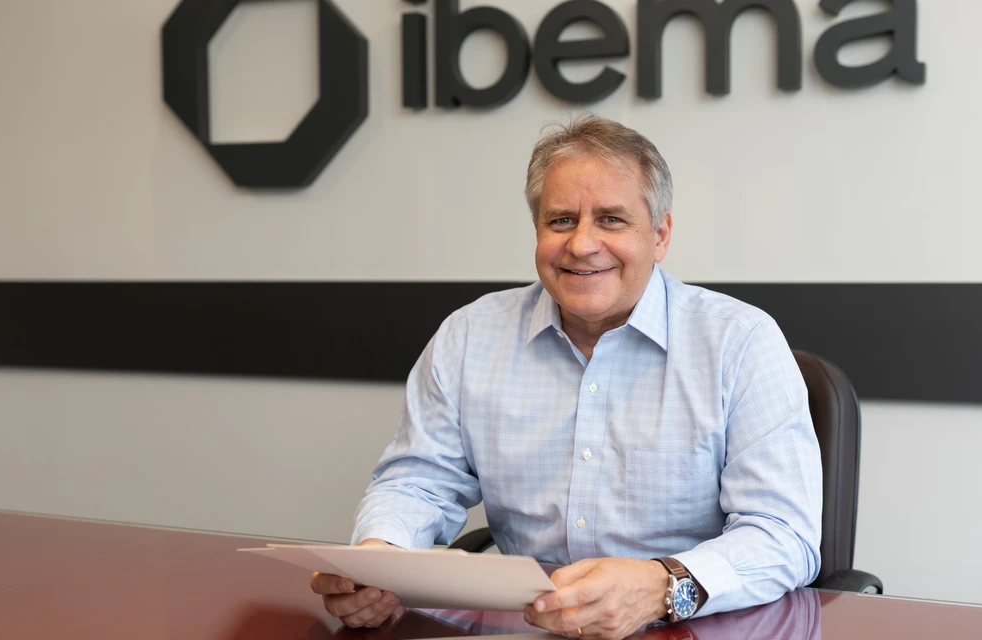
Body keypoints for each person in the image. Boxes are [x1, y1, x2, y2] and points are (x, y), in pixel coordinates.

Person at [311, 115, 823, 640]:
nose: (581, 244)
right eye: (560, 220)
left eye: (611, 220)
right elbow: (418, 482)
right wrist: (380, 561)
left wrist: (660, 586)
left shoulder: (740, 343)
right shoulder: (469, 337)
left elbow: (783, 535)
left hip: (691, 628)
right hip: (529, 628)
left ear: (660, 234)